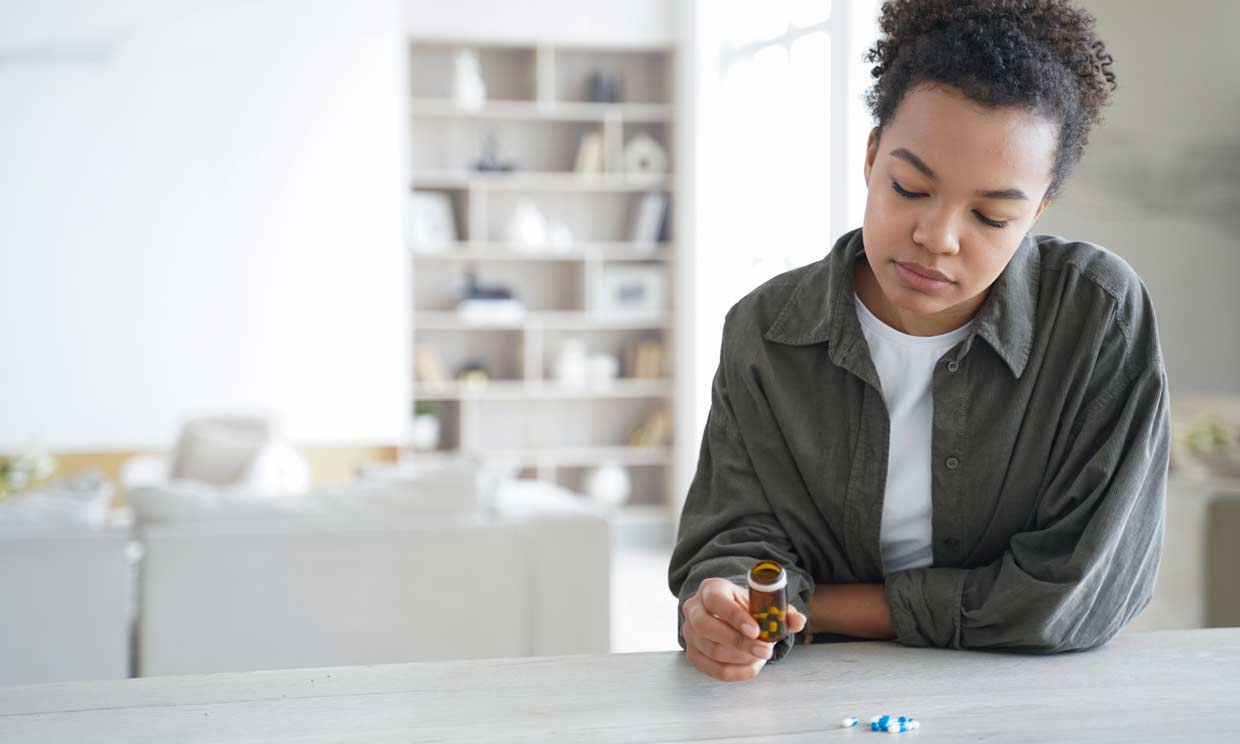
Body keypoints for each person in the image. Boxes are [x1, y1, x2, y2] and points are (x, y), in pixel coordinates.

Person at [669, 0, 1170, 683]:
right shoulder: (766, 331)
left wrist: (826, 609)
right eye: (909, 187)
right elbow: (736, 543)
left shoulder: (1098, 317)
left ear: (1038, 211)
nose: (938, 237)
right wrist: (720, 608)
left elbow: (1074, 594)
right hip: (814, 699)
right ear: (872, 156)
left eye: (992, 215)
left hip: (1031, 700)